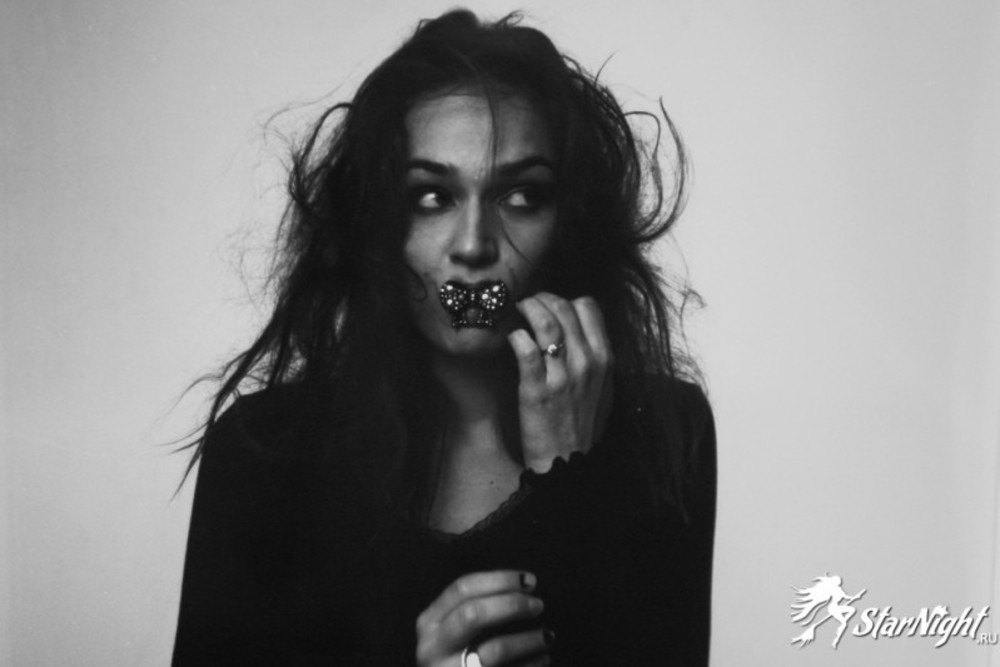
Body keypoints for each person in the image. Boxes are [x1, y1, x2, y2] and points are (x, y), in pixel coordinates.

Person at [172, 9, 716, 666]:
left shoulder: (663, 436)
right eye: (432, 197)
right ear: (375, 224)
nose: (474, 245)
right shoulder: (262, 453)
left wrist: (569, 477)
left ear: (571, 222)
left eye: (521, 196)